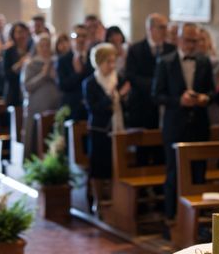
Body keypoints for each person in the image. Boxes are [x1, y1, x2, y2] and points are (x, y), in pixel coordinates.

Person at [152, 22, 215, 231]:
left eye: (195, 40)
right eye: (188, 40)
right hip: (175, 125)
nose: (191, 44)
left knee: (199, 173)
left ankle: (198, 222)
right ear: (178, 39)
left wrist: (205, 98)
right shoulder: (165, 62)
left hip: (199, 124)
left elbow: (212, 92)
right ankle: (171, 219)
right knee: (173, 173)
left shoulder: (205, 61)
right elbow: (156, 95)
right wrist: (178, 100)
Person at [83, 43, 130, 214]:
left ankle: (114, 199)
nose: (112, 65)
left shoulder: (120, 79)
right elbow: (94, 109)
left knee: (114, 165)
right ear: (99, 62)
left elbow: (128, 105)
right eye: (108, 62)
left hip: (118, 127)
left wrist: (124, 98)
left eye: (113, 61)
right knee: (98, 166)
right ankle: (98, 199)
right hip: (99, 130)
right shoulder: (90, 83)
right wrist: (111, 96)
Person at [125, 13, 175, 130]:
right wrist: (155, 85)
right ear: (150, 29)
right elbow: (131, 76)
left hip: (165, 104)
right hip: (142, 104)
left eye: (166, 27)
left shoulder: (171, 49)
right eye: (162, 27)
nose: (165, 31)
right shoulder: (135, 49)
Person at [21, 34, 62, 158]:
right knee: (36, 138)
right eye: (42, 46)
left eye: (47, 46)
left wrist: (54, 76)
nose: (45, 48)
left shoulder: (57, 62)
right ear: (37, 47)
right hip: (37, 107)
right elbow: (27, 86)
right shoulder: (31, 64)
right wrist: (43, 75)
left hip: (54, 105)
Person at [57, 24, 93, 120]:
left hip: (90, 108)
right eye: (77, 36)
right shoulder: (63, 60)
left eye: (84, 36)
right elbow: (62, 86)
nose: (81, 39)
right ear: (71, 40)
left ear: (89, 39)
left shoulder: (93, 58)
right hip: (71, 108)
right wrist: (77, 74)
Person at [2, 22, 31, 106]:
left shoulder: (32, 49)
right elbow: (6, 74)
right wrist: (19, 64)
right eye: (18, 32)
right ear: (13, 35)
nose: (21, 35)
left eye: (23, 32)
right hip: (14, 92)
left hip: (29, 91)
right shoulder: (8, 51)